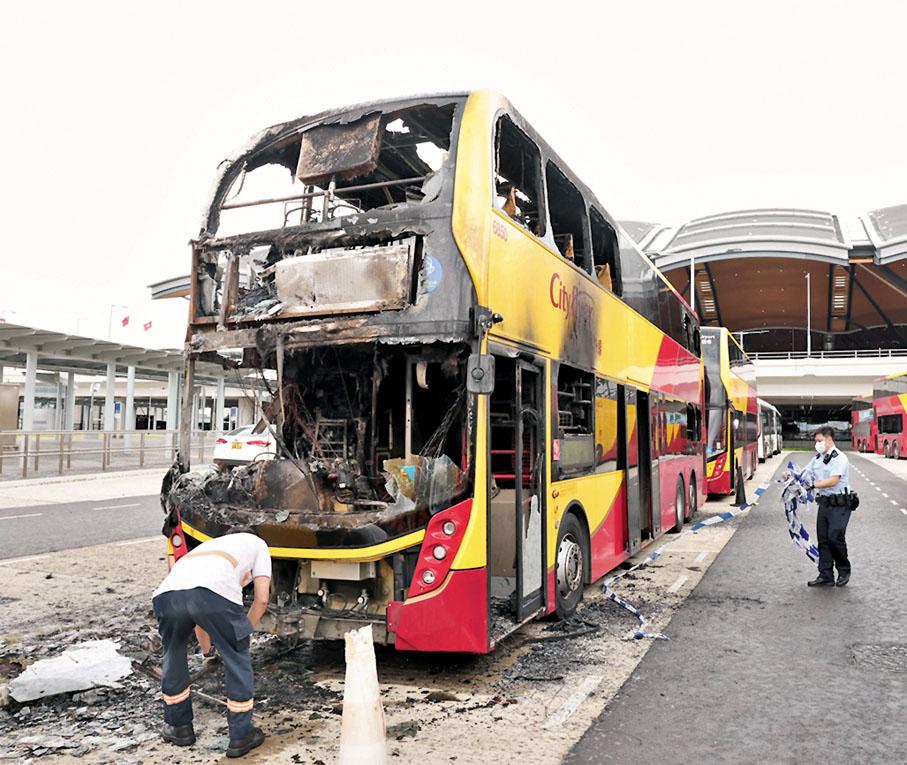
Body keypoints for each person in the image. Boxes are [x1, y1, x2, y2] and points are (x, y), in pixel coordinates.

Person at [152, 529, 271, 758]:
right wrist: (244, 633)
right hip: (213, 594)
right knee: (237, 660)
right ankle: (240, 735)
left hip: (167, 596)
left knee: (174, 654)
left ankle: (179, 728)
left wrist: (208, 653)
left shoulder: (209, 547)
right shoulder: (258, 543)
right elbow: (262, 598)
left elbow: (198, 617)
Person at [803, 426, 852, 588]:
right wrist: (791, 476)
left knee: (835, 537)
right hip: (824, 504)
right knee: (823, 539)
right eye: (816, 441)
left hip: (840, 504)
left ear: (829, 440)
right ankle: (825, 575)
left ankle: (844, 570)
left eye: (819, 441)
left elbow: (833, 480)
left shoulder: (839, 458)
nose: (817, 444)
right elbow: (805, 472)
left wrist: (812, 485)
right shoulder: (817, 458)